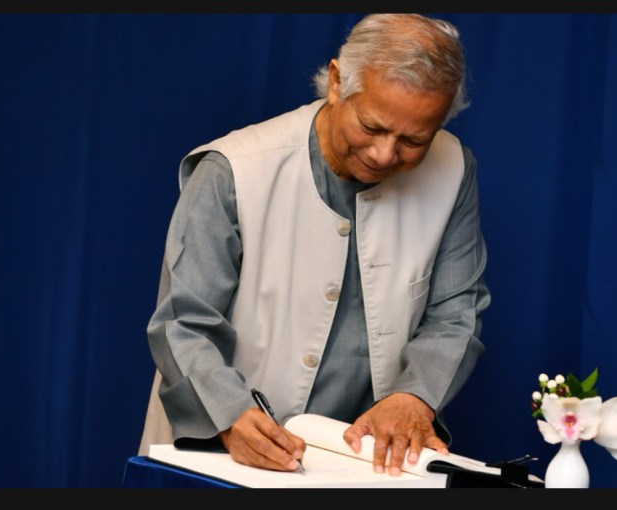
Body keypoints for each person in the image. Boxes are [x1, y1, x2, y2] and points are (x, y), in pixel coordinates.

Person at [139, 13, 490, 478]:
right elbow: (184, 322)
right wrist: (230, 414)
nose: (386, 154)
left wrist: (414, 397)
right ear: (337, 82)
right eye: (372, 126)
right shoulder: (232, 170)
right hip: (222, 446)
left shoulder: (454, 170)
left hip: (358, 463)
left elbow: (456, 312)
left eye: (414, 140)